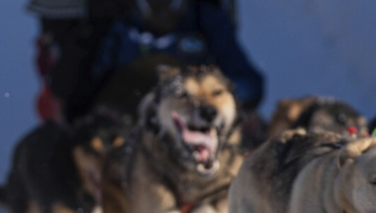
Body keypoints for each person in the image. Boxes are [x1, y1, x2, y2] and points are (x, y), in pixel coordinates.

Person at [27, 0, 263, 123]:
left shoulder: (205, 18)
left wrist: (214, 96)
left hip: (194, 127)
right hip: (123, 134)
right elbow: (71, 91)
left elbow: (247, 85)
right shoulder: (110, 20)